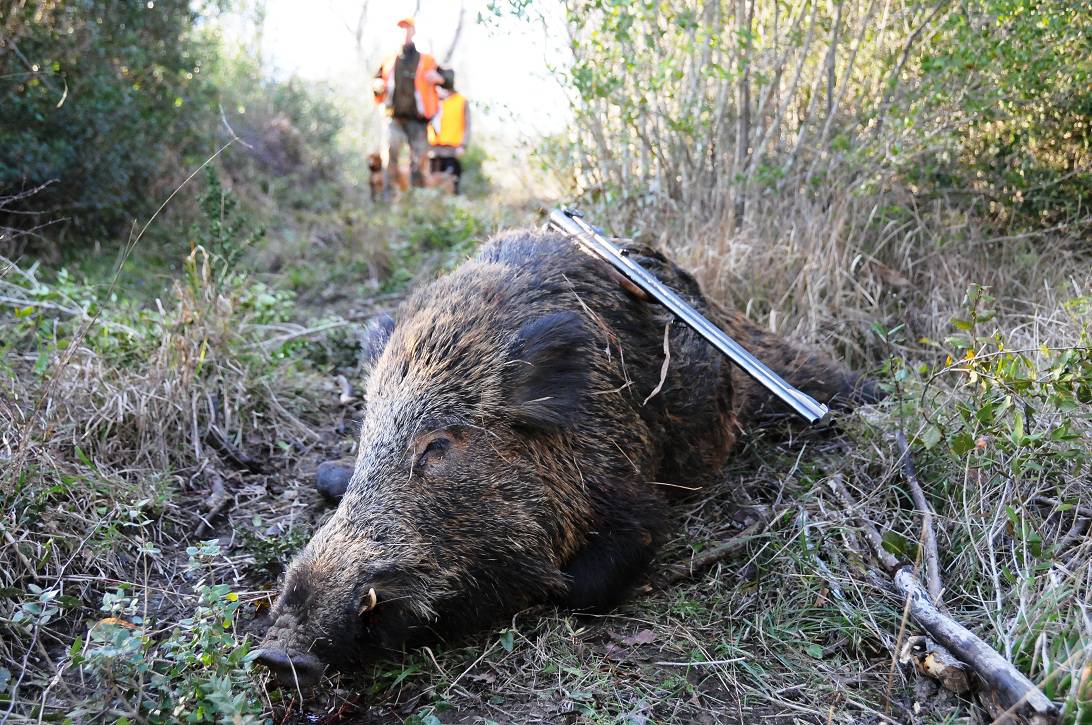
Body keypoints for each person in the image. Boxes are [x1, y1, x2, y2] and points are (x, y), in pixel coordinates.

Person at [372, 17, 444, 191]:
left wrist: (440, 78)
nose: (404, 32)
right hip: (394, 118)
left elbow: (447, 78)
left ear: (413, 32)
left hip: (418, 120)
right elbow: (376, 80)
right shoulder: (388, 60)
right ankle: (387, 198)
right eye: (401, 29)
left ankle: (417, 199)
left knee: (419, 160)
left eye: (407, 28)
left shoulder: (426, 60)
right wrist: (377, 86)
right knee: (390, 154)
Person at [427, 73, 470, 194]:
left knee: (451, 184)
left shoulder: (461, 100)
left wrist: (463, 145)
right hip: (433, 150)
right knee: (431, 184)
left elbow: (467, 125)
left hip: (452, 150)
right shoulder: (433, 99)